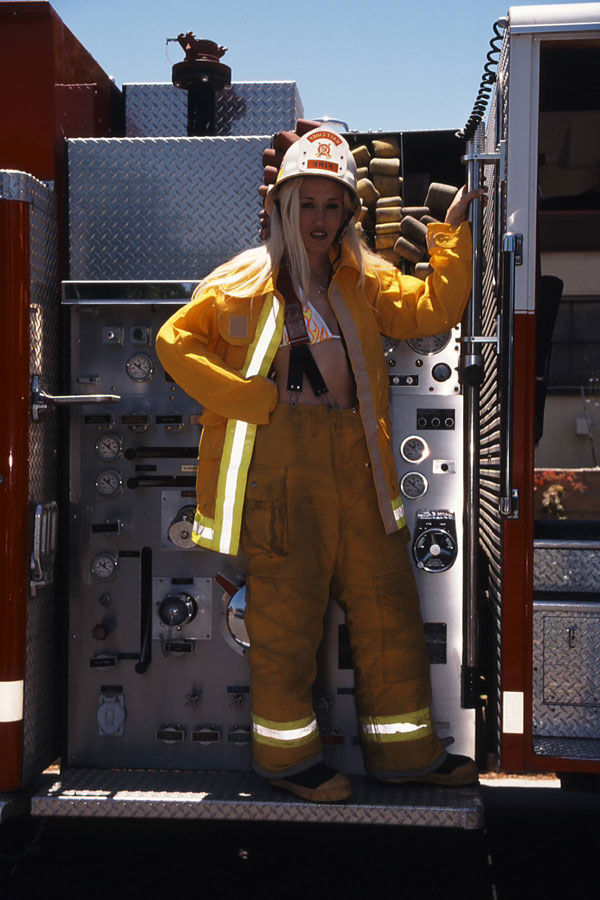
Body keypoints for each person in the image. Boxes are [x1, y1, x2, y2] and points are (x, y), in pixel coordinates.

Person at [156, 127, 480, 803]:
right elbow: (174, 342)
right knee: (285, 624)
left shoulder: (364, 276)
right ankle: (288, 762)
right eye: (307, 203)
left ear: (349, 214)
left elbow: (435, 309)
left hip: (360, 464)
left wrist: (450, 239)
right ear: (283, 205)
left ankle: (407, 754)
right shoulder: (242, 280)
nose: (320, 219)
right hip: (282, 469)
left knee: (390, 612)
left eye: (332, 206)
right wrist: (248, 399)